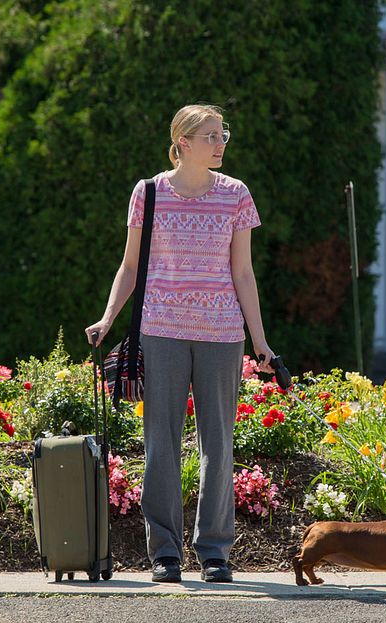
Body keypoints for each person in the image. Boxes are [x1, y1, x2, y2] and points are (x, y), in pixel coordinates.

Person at [86, 104, 274, 584]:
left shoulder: (236, 195)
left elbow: (243, 273)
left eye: (222, 133)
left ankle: (214, 552)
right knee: (160, 445)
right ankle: (165, 552)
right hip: (161, 330)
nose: (221, 142)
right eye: (211, 135)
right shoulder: (148, 193)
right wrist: (108, 318)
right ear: (183, 143)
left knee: (219, 445)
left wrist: (260, 341)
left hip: (222, 334)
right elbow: (129, 267)